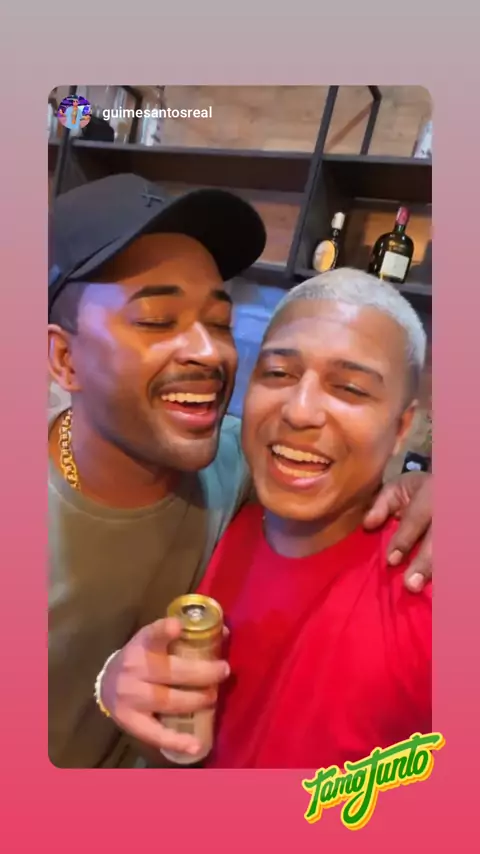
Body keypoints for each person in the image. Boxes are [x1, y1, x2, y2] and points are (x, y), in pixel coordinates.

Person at [48, 173, 433, 769]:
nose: (208, 352)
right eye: (157, 319)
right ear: (64, 357)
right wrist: (107, 688)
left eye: (218, 322)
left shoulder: (238, 466)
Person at [196, 270, 432, 768]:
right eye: (278, 374)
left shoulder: (426, 584)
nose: (300, 411)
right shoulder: (215, 515)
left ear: (401, 428)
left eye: (349, 388)